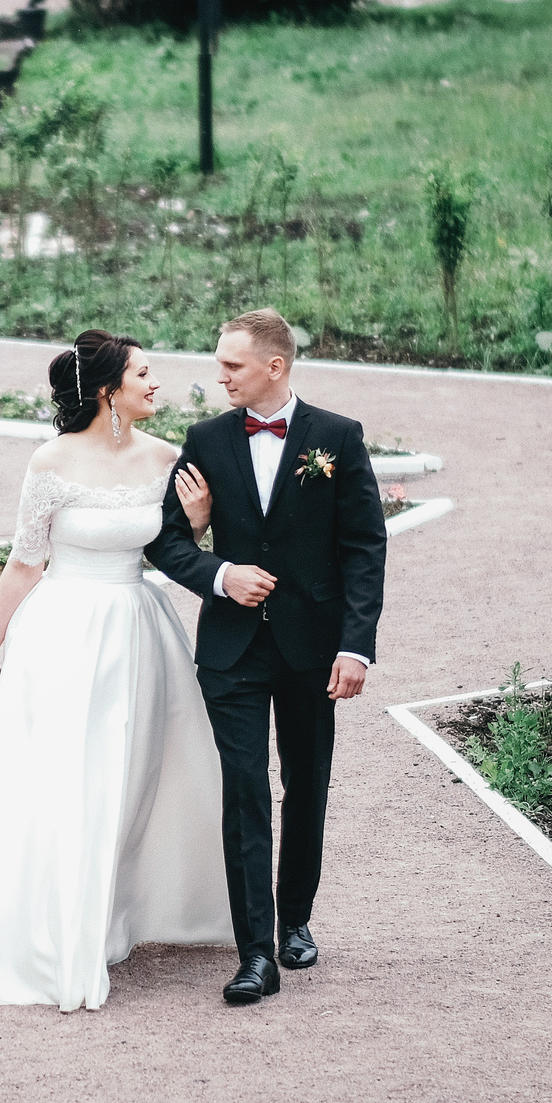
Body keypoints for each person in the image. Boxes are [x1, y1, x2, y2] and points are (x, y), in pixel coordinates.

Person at [0, 332, 231, 1012]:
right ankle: (55, 934)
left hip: (139, 633)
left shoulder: (168, 458)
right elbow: (25, 561)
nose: (156, 382)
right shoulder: (51, 460)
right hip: (62, 635)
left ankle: (110, 917)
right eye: (143, 372)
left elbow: (174, 551)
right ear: (109, 389)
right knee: (68, 782)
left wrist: (196, 523)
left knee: (130, 781)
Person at [143, 309, 387, 1007]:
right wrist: (222, 573)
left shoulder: (337, 438)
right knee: (244, 790)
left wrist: (355, 644)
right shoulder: (207, 440)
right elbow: (165, 541)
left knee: (306, 785)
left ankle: (296, 918)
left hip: (314, 649)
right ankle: (255, 953)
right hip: (232, 649)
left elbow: (364, 547)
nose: (219, 376)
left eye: (232, 366)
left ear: (274, 367)